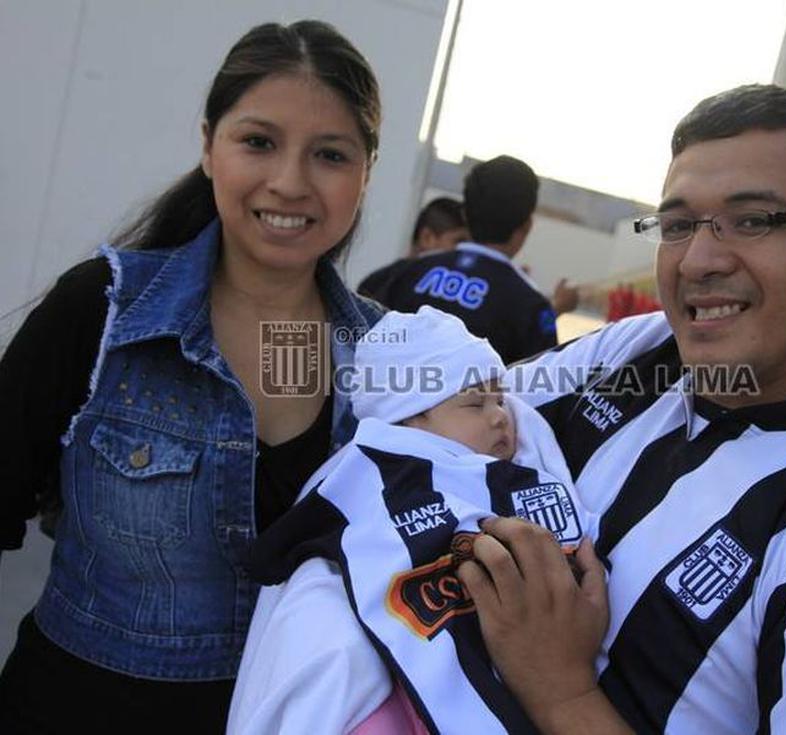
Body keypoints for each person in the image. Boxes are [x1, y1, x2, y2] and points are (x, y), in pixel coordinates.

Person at [453, 85, 786, 734]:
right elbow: (442, 418)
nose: (698, 260)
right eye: (678, 225)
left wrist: (561, 692)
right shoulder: (641, 354)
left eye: (752, 221)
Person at [0, 20, 384, 732]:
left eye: (330, 154)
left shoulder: (387, 360)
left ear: (365, 174)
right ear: (209, 146)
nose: (290, 182)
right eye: (258, 142)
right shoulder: (103, 311)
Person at [227, 306, 605, 734]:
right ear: (410, 419)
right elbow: (282, 555)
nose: (501, 415)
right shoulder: (363, 475)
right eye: (475, 403)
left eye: (500, 398)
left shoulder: (511, 473)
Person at [368, 155, 574, 364]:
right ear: (527, 225)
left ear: (465, 215)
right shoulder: (531, 308)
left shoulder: (402, 273)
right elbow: (540, 385)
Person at [356, 196, 469, 301]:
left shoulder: (379, 280)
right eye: (459, 241)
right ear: (427, 238)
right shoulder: (381, 284)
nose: (465, 250)